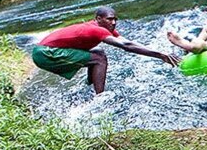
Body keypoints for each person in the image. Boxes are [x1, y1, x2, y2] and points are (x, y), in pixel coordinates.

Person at [31, 6, 180, 94]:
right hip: (44, 53)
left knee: (98, 54)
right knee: (99, 59)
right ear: (98, 19)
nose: (113, 22)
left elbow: (128, 41)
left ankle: (90, 88)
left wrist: (158, 51)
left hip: (45, 50)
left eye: (115, 19)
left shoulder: (102, 28)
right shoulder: (96, 30)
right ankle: (99, 97)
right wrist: (160, 55)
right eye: (109, 19)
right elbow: (126, 47)